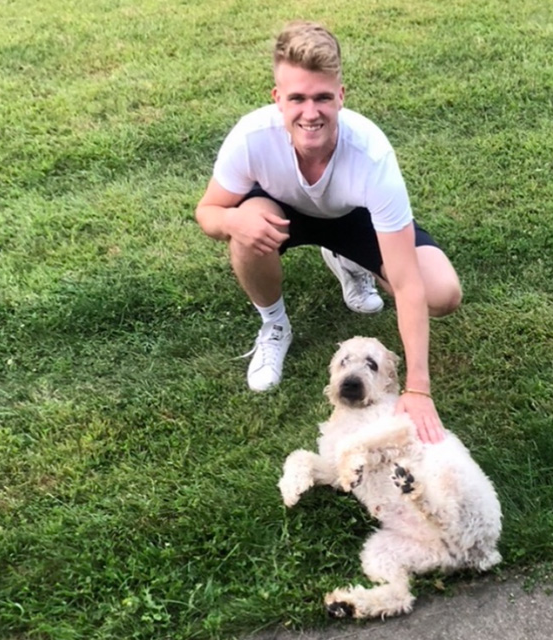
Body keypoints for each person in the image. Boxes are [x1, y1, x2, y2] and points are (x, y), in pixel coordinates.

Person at [194, 20, 461, 444]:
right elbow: (207, 210)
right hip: (280, 212)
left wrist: (418, 388)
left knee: (442, 294)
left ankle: (347, 258)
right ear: (277, 99)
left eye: (322, 97)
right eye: (297, 98)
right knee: (249, 223)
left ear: (341, 96)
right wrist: (231, 221)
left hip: (351, 217)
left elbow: (409, 283)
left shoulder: (371, 153)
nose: (310, 112)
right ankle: (275, 325)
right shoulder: (251, 138)